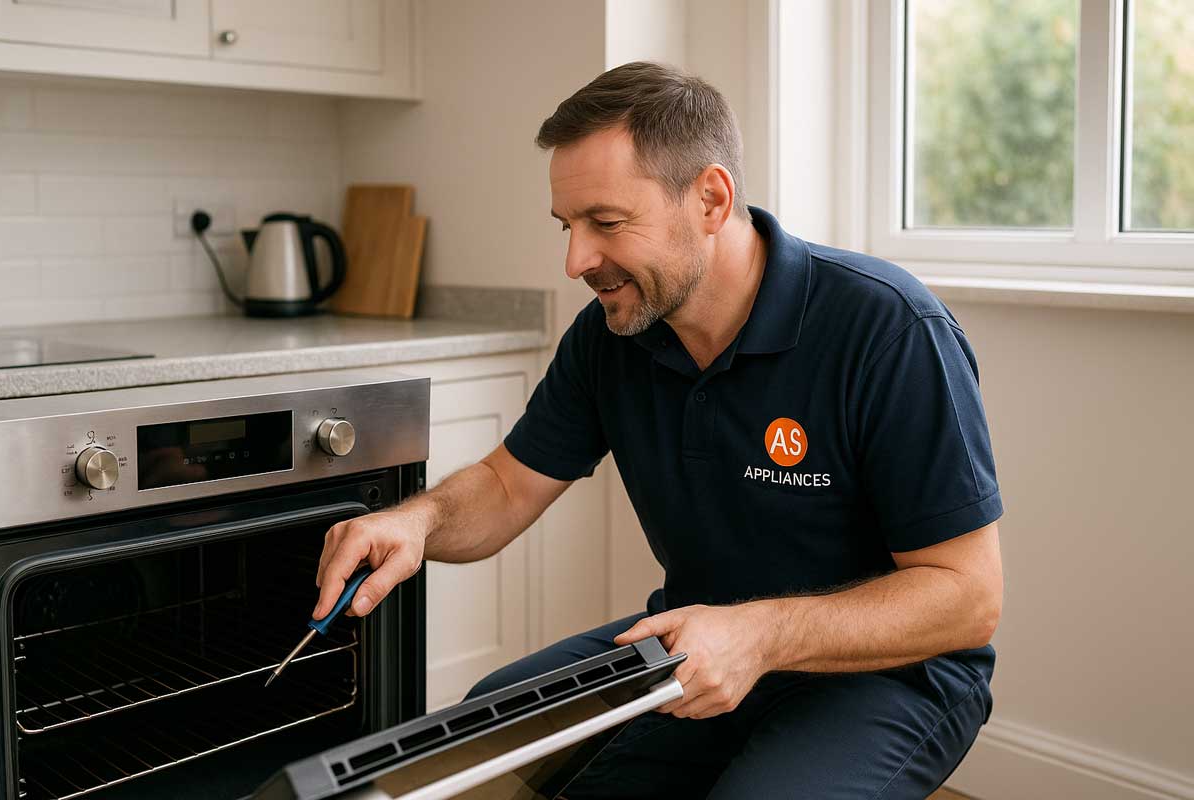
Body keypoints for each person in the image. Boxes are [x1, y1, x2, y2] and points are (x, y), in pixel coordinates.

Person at [313, 61, 1004, 799]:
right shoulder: (612, 333)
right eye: (568, 226)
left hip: (888, 673)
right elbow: (507, 486)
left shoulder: (888, 327)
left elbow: (967, 598)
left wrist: (760, 636)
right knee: (499, 717)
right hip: (693, 644)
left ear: (710, 198)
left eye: (605, 223)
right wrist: (417, 522)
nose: (576, 259)